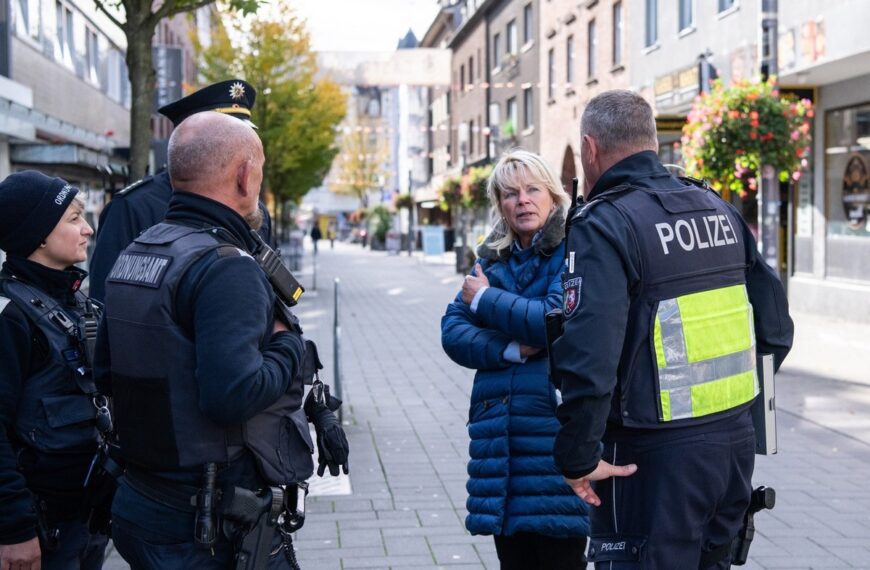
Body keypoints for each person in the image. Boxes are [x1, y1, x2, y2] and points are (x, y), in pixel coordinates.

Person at [550, 90, 794, 569]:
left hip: (650, 461)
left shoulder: (606, 223)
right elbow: (776, 329)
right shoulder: (716, 208)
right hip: (731, 452)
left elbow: (591, 356)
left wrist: (577, 457)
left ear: (590, 148)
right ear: (651, 143)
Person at [93, 112, 348, 569]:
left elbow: (106, 374)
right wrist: (289, 345)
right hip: (210, 528)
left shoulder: (139, 250)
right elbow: (233, 396)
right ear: (246, 175)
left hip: (146, 504)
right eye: (262, 168)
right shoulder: (226, 266)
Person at [441, 150, 590, 570]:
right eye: (509, 193)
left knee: (560, 556)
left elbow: (552, 322)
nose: (522, 200)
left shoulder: (574, 248)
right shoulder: (491, 257)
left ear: (552, 195)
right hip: (499, 441)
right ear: (499, 205)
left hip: (550, 432)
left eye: (531, 189)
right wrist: (510, 347)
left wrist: (487, 300)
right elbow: (452, 332)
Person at [0, 171, 109, 570]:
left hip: (85, 518)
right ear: (40, 236)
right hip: (37, 530)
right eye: (74, 218)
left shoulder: (79, 304)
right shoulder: (10, 316)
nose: (88, 229)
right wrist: (13, 529)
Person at [88, 79, 274, 301]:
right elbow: (105, 304)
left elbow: (272, 295)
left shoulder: (254, 209)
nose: (238, 148)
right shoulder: (133, 207)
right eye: (222, 138)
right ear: (189, 140)